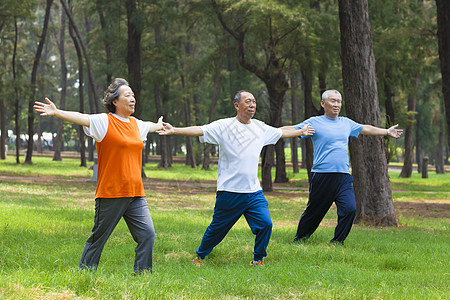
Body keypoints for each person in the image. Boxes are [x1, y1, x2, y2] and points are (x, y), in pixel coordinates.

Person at [158, 90, 315, 266]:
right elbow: (200, 130)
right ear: (237, 105)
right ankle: (200, 256)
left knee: (266, 224)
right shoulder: (223, 126)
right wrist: (174, 130)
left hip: (253, 192)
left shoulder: (259, 127)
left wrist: (300, 130)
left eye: (254, 102)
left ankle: (258, 259)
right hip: (229, 192)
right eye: (248, 101)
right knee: (217, 228)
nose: (252, 105)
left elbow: (281, 131)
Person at [34, 78, 163, 273]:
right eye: (127, 95)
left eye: (133, 95)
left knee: (147, 234)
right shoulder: (104, 122)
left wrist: (159, 125)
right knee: (99, 238)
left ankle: (143, 275)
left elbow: (150, 126)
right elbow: (81, 117)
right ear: (115, 101)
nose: (132, 98)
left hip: (136, 193)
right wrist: (57, 112)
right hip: (111, 193)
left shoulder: (137, 125)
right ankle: (84, 272)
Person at [290, 89, 403, 245]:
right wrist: (274, 132)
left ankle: (337, 242)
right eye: (333, 101)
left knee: (350, 209)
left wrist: (386, 131)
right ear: (323, 103)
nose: (337, 104)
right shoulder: (314, 122)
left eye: (339, 101)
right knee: (314, 212)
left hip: (343, 176)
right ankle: (300, 239)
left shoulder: (346, 123)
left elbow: (366, 128)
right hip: (322, 175)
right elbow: (292, 129)